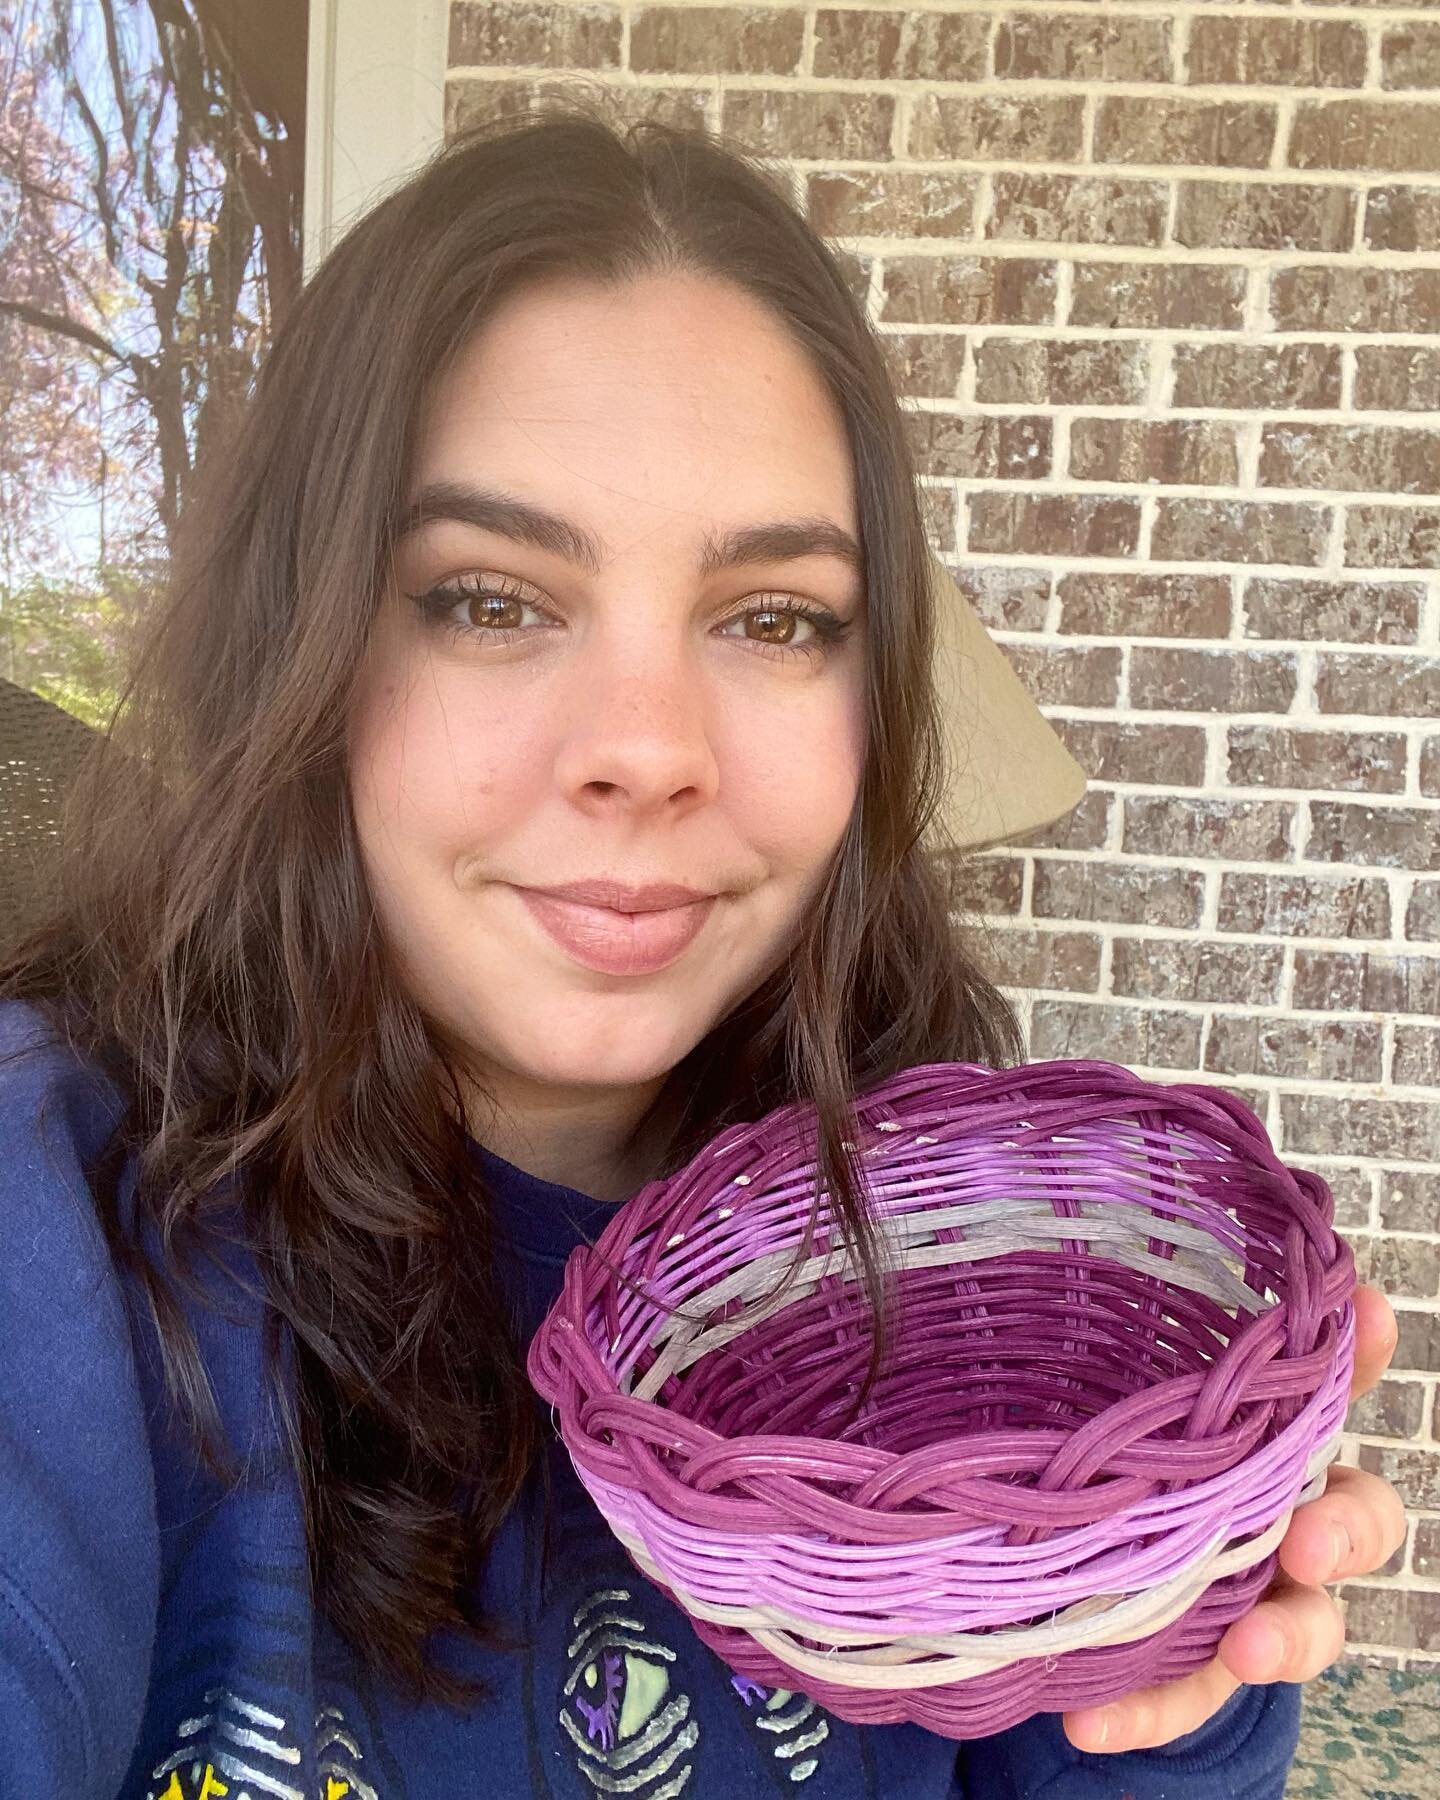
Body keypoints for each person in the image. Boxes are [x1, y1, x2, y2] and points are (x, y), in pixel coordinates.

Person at [0, 106, 1405, 1800]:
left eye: (774, 619)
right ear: (298, 647)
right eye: (489, 598)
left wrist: (1189, 1672)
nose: (648, 749)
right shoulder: (57, 1217)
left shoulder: (972, 1271)